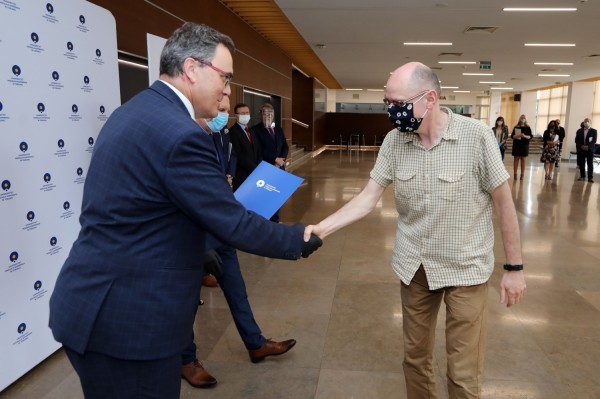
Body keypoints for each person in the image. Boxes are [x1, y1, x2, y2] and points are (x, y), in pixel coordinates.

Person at [48, 22, 321, 399]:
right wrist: (300, 238)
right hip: (129, 326)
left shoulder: (137, 110)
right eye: (225, 78)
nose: (228, 92)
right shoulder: (181, 133)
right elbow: (233, 223)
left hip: (93, 306)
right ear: (192, 68)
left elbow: (150, 208)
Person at [305, 62, 526, 399]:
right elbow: (367, 198)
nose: (392, 112)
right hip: (415, 268)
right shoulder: (395, 141)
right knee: (415, 361)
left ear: (430, 98)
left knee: (464, 373)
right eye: (388, 103)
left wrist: (514, 268)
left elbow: (504, 204)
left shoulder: (476, 137)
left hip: (465, 268)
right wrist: (322, 228)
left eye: (398, 104)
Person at [182, 97, 296, 389]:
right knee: (187, 303)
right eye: (220, 106)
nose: (223, 113)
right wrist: (200, 245)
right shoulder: (185, 139)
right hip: (195, 237)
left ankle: (255, 343)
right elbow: (182, 196)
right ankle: (186, 360)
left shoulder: (220, 135)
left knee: (237, 290)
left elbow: (223, 174)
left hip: (221, 230)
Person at [252, 103, 289, 222]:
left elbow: (285, 146)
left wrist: (281, 160)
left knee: (277, 196)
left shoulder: (278, 129)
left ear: (273, 114)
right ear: (261, 114)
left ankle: (275, 221)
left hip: (279, 168)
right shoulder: (255, 130)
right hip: (266, 168)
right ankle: (266, 222)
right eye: (265, 113)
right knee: (265, 197)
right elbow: (258, 150)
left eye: (270, 113)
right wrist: (274, 159)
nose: (267, 115)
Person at [229, 103, 262, 191]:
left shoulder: (251, 131)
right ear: (236, 115)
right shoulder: (232, 132)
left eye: (247, 113)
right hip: (242, 176)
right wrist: (255, 169)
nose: (246, 115)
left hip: (255, 174)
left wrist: (259, 167)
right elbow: (239, 155)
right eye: (242, 113)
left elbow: (258, 150)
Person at [575, 117, 597, 183]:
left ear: (590, 123)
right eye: (585, 121)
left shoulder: (594, 131)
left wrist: (588, 146)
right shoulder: (579, 131)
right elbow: (576, 140)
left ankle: (590, 177)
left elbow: (594, 140)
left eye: (588, 121)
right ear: (584, 123)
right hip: (581, 149)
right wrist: (581, 146)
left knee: (590, 163)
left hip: (589, 149)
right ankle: (582, 176)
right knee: (582, 163)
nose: (586, 123)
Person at [510, 115, 533, 180]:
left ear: (525, 119)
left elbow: (530, 136)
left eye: (524, 118)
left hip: (524, 145)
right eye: (522, 118)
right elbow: (512, 136)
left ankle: (522, 174)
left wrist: (525, 136)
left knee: (523, 160)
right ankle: (515, 174)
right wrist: (518, 135)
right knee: (516, 159)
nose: (523, 119)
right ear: (519, 119)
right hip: (517, 145)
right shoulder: (516, 127)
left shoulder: (528, 127)